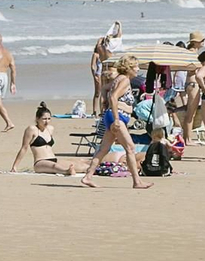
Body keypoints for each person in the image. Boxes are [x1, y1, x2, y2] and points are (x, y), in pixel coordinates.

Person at [82, 58, 152, 189]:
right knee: (130, 148)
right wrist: (116, 119)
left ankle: (88, 177)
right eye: (136, 67)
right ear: (129, 68)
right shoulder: (124, 80)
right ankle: (137, 182)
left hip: (115, 115)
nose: (138, 69)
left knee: (104, 149)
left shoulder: (119, 79)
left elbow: (105, 89)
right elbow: (113, 96)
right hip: (117, 116)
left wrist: (104, 105)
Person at [10, 102, 82, 175]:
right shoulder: (31, 129)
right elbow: (24, 148)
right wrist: (15, 166)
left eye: (49, 119)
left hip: (54, 159)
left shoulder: (50, 129)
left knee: (78, 163)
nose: (47, 121)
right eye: (44, 119)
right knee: (55, 166)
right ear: (37, 119)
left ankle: (92, 169)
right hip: (40, 162)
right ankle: (66, 171)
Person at [89, 38, 109, 114]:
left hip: (105, 74)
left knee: (104, 93)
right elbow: (92, 66)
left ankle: (102, 111)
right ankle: (94, 111)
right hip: (99, 74)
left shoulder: (105, 54)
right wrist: (94, 76)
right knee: (97, 93)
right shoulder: (96, 55)